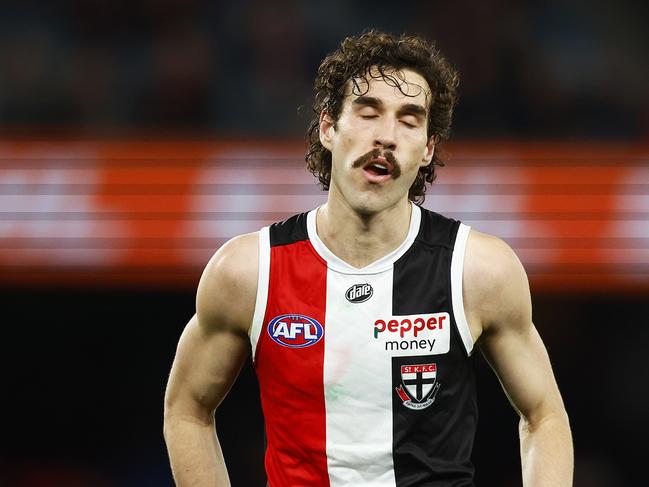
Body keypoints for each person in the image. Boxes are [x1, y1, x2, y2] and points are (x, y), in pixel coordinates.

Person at [163, 30, 573, 486]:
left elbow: (544, 417)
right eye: (368, 112)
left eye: (409, 120)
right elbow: (187, 410)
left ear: (428, 149)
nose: (387, 136)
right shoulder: (247, 271)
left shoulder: (479, 270)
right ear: (327, 128)